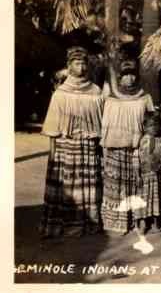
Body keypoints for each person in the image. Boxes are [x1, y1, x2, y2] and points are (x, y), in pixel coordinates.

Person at [39, 46, 104, 238]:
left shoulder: (95, 91)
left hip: (87, 146)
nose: (82, 67)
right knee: (66, 187)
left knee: (87, 185)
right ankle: (62, 225)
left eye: (84, 63)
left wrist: (99, 145)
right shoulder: (61, 93)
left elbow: (100, 122)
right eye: (77, 63)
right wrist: (52, 153)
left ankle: (87, 224)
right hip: (65, 146)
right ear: (69, 66)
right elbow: (52, 125)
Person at [101, 59, 155, 234]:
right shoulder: (110, 97)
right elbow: (105, 123)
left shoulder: (144, 97)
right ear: (119, 78)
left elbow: (151, 123)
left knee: (136, 184)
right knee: (114, 185)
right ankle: (115, 222)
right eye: (125, 75)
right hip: (114, 149)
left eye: (132, 75)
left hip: (136, 149)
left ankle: (137, 220)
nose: (129, 79)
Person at [134, 111, 161, 234]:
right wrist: (137, 175)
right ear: (144, 127)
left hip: (157, 176)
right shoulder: (142, 140)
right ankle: (143, 223)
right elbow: (137, 158)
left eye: (156, 125)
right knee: (144, 199)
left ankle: (156, 224)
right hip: (145, 175)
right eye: (150, 125)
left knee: (157, 199)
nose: (153, 128)